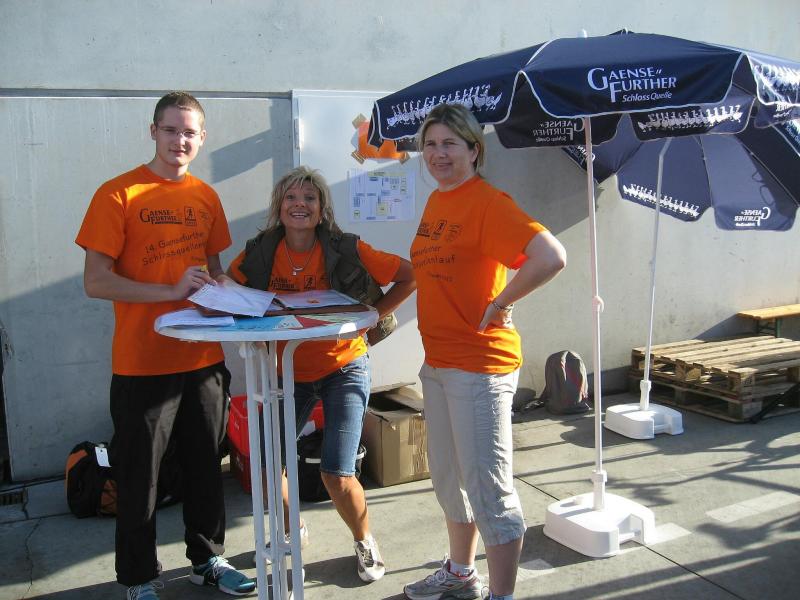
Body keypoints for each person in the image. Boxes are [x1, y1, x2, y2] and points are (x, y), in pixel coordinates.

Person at [75, 92, 255, 600]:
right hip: (142, 363)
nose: (180, 140)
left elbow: (212, 270)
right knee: (140, 478)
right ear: (152, 131)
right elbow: (95, 281)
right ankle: (138, 578)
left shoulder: (205, 196)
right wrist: (170, 292)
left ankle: (207, 559)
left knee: (205, 467)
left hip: (203, 359)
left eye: (190, 132)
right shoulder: (119, 193)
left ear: (202, 138)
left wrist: (229, 295)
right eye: (171, 130)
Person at [403, 103, 567, 600]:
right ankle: (460, 572)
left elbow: (550, 256)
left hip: (479, 367)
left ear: (474, 150)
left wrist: (501, 302)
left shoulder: (488, 202)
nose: (438, 154)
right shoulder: (438, 201)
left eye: (450, 144)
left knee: (489, 490)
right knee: (450, 481)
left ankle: (502, 594)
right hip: (438, 362)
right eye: (430, 144)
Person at [227, 165, 416, 583]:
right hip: (287, 373)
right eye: (291, 197)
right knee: (267, 465)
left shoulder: (345, 247)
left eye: (309, 198)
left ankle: (364, 540)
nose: (300, 204)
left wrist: (372, 317)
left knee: (336, 473)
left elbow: (409, 275)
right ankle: (292, 528)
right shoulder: (261, 251)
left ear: (322, 208)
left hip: (343, 366)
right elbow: (229, 286)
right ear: (279, 206)